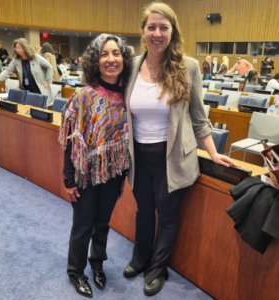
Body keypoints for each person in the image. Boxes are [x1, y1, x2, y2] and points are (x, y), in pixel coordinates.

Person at [122, 2, 240, 296]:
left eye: (164, 27)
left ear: (172, 31)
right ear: (143, 31)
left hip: (173, 157)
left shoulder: (188, 67)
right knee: (144, 210)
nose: (157, 33)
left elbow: (199, 117)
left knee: (168, 215)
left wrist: (213, 153)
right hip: (139, 155)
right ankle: (141, 257)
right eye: (152, 27)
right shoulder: (132, 66)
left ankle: (157, 267)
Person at [59, 34, 132, 298]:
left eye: (116, 53)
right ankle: (75, 272)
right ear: (95, 61)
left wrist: (123, 171)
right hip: (84, 175)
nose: (111, 59)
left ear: (124, 59)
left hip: (113, 173)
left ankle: (97, 264)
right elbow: (70, 138)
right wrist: (68, 179)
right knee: (83, 225)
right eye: (104, 54)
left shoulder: (128, 96)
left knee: (103, 223)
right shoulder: (84, 96)